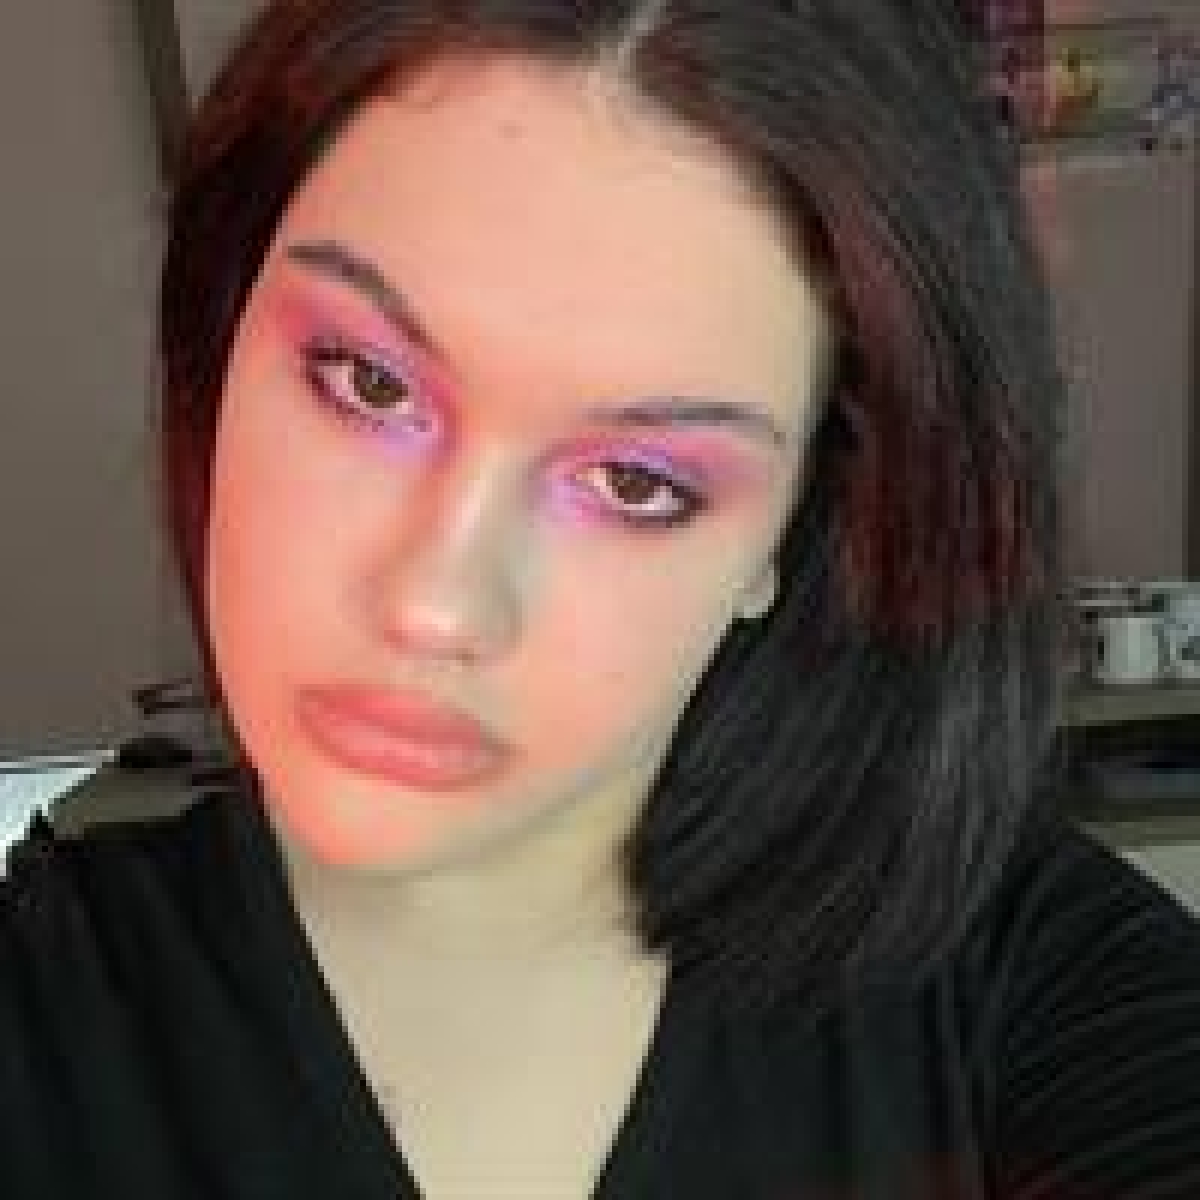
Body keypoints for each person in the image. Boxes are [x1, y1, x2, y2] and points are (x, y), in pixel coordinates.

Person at [3, 0, 1199, 1195]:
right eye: (366, 382)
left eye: (636, 483)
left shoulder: (1020, 985)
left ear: (792, 531)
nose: (438, 605)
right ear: (227, 328)